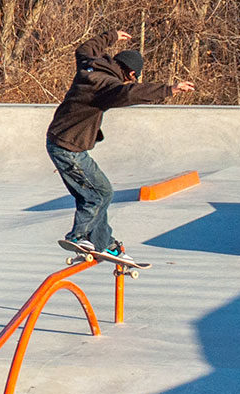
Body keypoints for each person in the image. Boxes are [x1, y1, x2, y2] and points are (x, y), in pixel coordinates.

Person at [46, 29, 194, 257]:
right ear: (131, 73)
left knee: (95, 193)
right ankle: (79, 236)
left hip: (65, 142)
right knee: (100, 193)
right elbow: (129, 93)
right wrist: (169, 89)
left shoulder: (90, 65)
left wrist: (111, 35)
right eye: (133, 77)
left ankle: (102, 241)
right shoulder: (106, 85)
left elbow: (85, 48)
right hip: (68, 148)